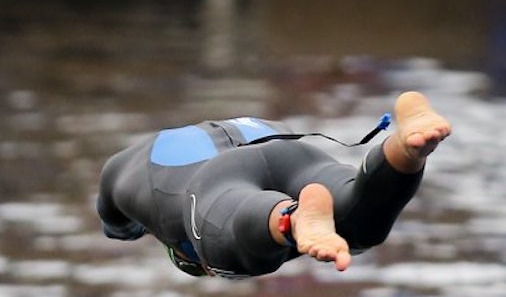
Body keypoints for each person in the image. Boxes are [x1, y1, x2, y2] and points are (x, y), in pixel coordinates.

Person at [96, 90, 451, 279]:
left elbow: (117, 228)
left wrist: (126, 229)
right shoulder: (123, 175)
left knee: (228, 238)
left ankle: (293, 219)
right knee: (357, 214)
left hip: (218, 181)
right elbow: (119, 218)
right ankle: (404, 150)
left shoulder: (132, 183)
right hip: (290, 153)